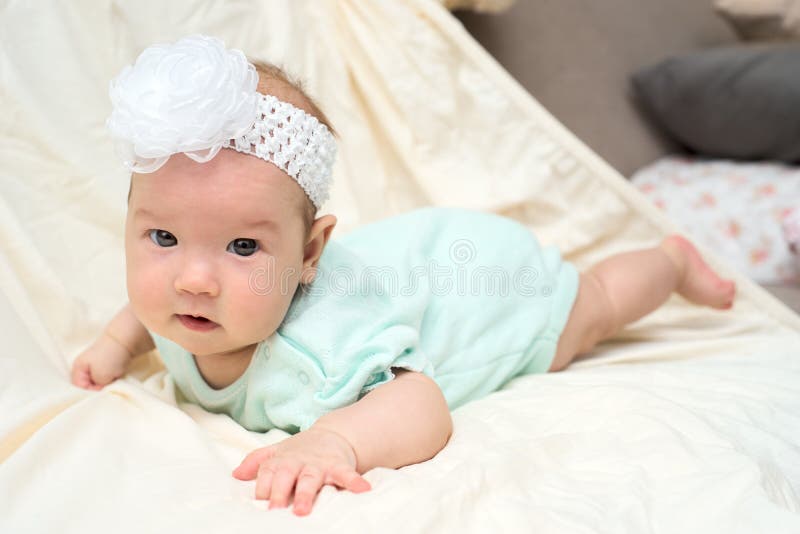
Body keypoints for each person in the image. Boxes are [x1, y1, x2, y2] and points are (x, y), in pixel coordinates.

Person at [70, 35, 736, 517]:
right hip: (406, 260)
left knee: (593, 306)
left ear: (311, 252)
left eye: (242, 246)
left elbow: (423, 405)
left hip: (482, 286)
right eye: (162, 237)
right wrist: (115, 343)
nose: (192, 280)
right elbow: (150, 315)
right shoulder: (187, 306)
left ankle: (672, 260)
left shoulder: (323, 352)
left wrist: (334, 440)